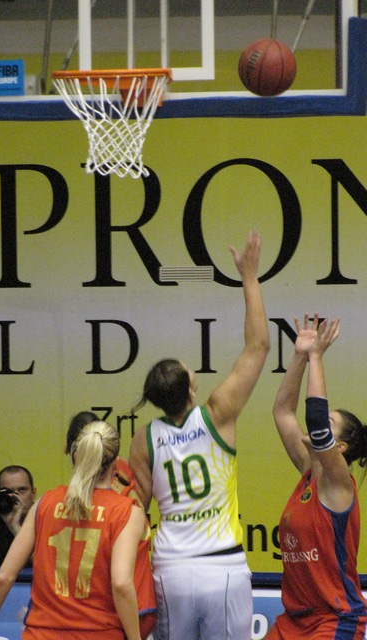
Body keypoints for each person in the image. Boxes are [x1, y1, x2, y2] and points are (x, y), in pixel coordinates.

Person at [129, 230, 270, 640]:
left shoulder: (144, 439)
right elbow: (259, 345)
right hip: (221, 566)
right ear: (190, 388)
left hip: (171, 569)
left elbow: (136, 511)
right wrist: (249, 277)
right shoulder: (217, 414)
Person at [0, 421, 148, 640]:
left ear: (75, 455)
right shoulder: (127, 512)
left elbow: (4, 577)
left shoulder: (44, 503)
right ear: (116, 463)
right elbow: (121, 584)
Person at [266, 313, 367, 640]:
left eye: (329, 423)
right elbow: (282, 411)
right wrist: (299, 355)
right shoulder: (308, 471)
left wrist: (317, 358)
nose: (320, 425)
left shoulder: (338, 482)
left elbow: (317, 425)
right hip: (293, 620)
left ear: (340, 447)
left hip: (333, 620)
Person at [66, 411, 157, 639]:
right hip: (139, 603)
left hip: (120, 610)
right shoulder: (122, 471)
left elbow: (120, 582)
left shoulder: (68, 502)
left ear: (73, 452)